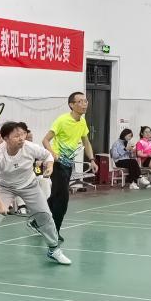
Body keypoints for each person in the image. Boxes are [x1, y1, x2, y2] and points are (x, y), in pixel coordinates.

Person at [0, 122, 70, 265]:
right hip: (5, 187)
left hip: (29, 185)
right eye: (17, 136)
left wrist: (50, 166)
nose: (21, 138)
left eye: (23, 134)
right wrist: (0, 205)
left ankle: (54, 250)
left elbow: (48, 155)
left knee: (45, 215)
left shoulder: (30, 147)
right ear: (5, 138)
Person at [42, 92, 97, 241]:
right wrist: (53, 153)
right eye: (80, 101)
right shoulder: (62, 120)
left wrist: (92, 159)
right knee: (63, 199)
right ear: (71, 105)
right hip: (57, 163)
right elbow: (45, 140)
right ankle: (54, 231)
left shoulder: (82, 121)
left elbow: (86, 141)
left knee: (55, 196)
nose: (84, 104)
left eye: (85, 101)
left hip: (68, 164)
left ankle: (38, 220)